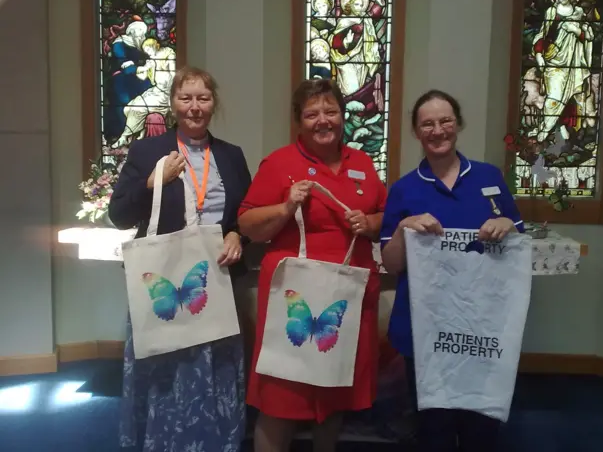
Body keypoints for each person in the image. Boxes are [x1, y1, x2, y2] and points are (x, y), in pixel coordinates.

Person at [237, 79, 387, 452]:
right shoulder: (280, 163)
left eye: (331, 111)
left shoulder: (363, 163)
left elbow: (388, 214)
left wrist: (370, 224)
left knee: (335, 389)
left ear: (342, 116)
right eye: (312, 113)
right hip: (296, 299)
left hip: (346, 299)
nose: (323, 120)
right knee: (281, 396)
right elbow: (248, 225)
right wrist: (287, 207)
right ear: (298, 121)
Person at [109, 65, 251, 452]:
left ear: (213, 103)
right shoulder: (147, 151)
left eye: (203, 98)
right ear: (172, 103)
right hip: (165, 283)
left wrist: (239, 233)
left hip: (213, 283)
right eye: (185, 98)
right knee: (165, 372)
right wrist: (152, 182)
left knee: (214, 373)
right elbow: (119, 214)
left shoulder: (231, 156)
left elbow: (246, 214)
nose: (194, 107)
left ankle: (214, 442)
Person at [380, 90, 525, 452]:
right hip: (426, 328)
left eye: (445, 121)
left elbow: (519, 244)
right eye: (427, 123)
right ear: (417, 132)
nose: (438, 130)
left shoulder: (489, 178)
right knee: (434, 427)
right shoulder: (404, 190)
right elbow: (391, 263)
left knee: (481, 425)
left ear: (458, 124)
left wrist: (507, 222)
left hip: (481, 326)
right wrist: (403, 228)